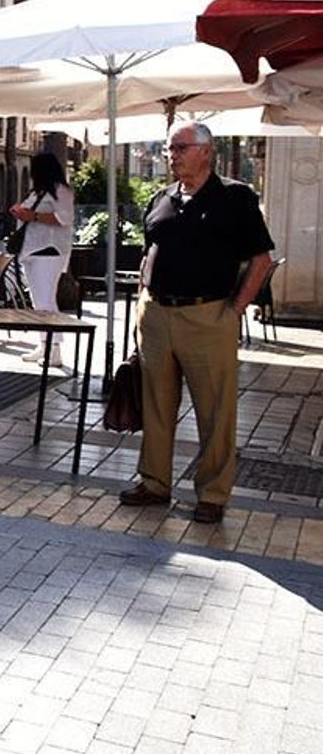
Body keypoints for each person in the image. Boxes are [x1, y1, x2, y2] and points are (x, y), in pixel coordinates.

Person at [119, 121, 274, 526]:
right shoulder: (161, 197)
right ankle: (154, 483)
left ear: (207, 151)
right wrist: (142, 299)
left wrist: (236, 309)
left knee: (215, 409)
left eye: (180, 148)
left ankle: (212, 493)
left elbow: (262, 259)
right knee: (155, 403)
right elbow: (148, 251)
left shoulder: (236, 197)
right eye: (170, 149)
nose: (172, 155)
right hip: (156, 314)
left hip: (208, 315)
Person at [9, 152, 75, 367]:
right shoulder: (39, 191)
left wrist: (33, 216)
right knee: (39, 300)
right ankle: (44, 343)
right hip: (34, 249)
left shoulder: (60, 190)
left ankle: (54, 349)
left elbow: (65, 218)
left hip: (50, 249)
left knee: (46, 299)